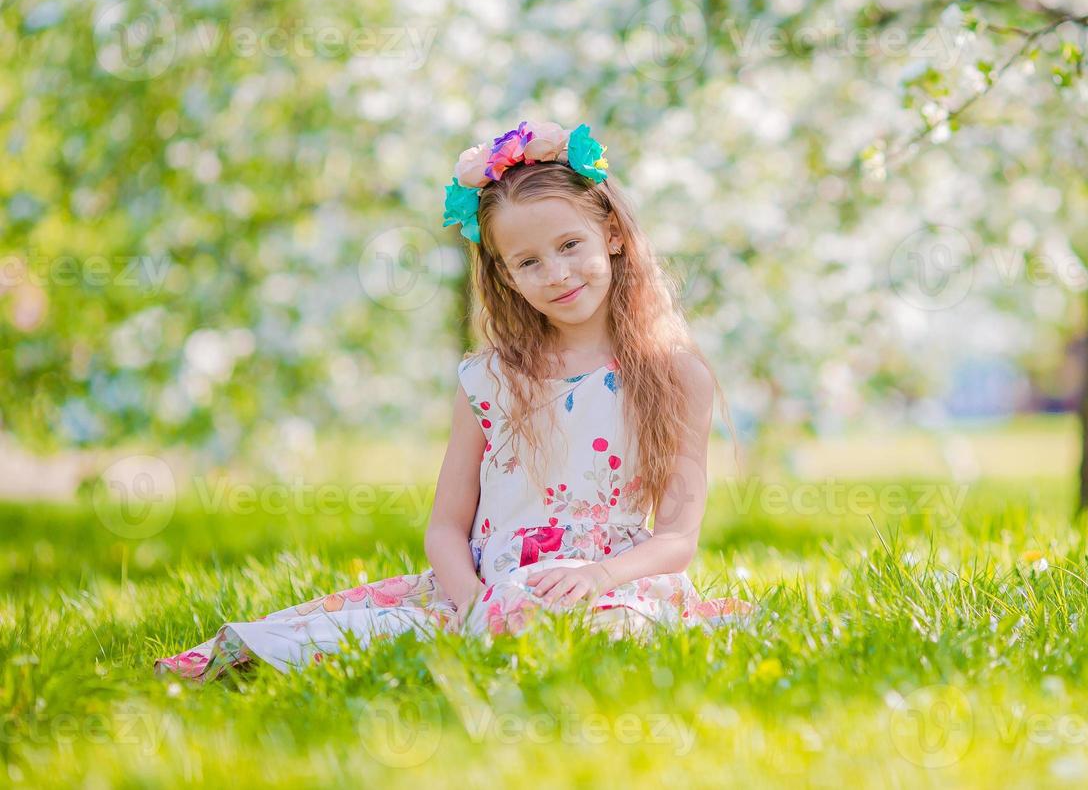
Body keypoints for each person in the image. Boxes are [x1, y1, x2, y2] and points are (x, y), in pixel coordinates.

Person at [154, 119, 753, 682]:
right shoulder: (488, 378)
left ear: (614, 235)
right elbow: (446, 526)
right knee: (376, 635)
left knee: (607, 637)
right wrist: (472, 604)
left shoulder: (673, 376)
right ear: (506, 274)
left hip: (604, 583)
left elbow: (677, 538)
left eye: (571, 244)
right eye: (528, 261)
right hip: (484, 586)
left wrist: (596, 575)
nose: (556, 273)